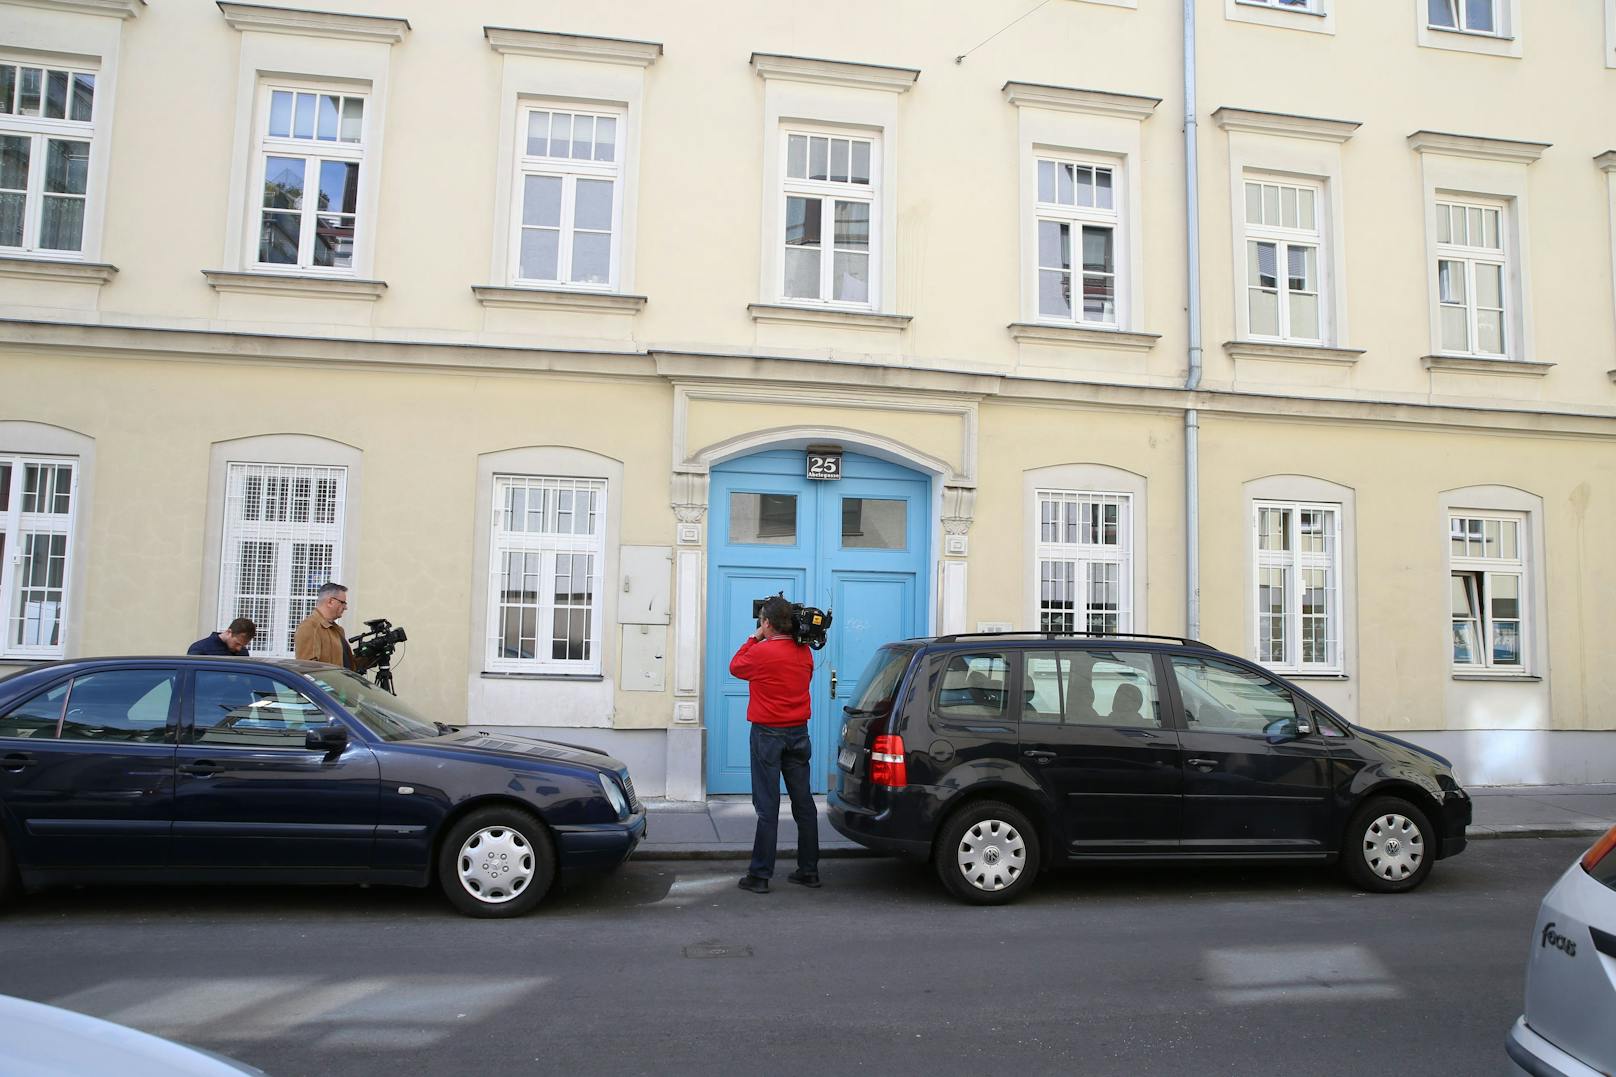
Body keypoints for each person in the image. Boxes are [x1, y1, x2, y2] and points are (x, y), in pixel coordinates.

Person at [729, 595, 819, 894]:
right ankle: (809, 871)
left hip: (768, 734)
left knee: (767, 807)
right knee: (804, 804)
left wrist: (753, 638)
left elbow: (735, 666)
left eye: (761, 622)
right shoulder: (805, 653)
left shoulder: (761, 652)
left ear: (767, 623)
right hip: (798, 734)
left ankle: (760, 875)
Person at [292, 582, 367, 671]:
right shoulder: (310, 627)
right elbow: (307, 670)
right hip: (327, 685)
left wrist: (370, 655)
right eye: (343, 603)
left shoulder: (337, 630)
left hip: (340, 684)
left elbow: (348, 667)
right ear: (331, 601)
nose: (345, 607)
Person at [187, 617, 256, 656]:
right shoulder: (200, 649)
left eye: (243, 645)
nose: (239, 649)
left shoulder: (243, 653)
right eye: (237, 643)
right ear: (229, 632)